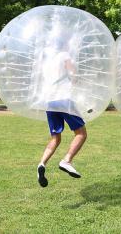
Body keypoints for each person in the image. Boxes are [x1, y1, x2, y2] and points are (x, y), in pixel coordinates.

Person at [35, 42, 87, 188]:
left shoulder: (47, 61)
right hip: (63, 98)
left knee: (55, 138)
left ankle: (42, 164)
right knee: (81, 133)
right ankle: (67, 160)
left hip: (50, 101)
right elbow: (73, 74)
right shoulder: (64, 55)